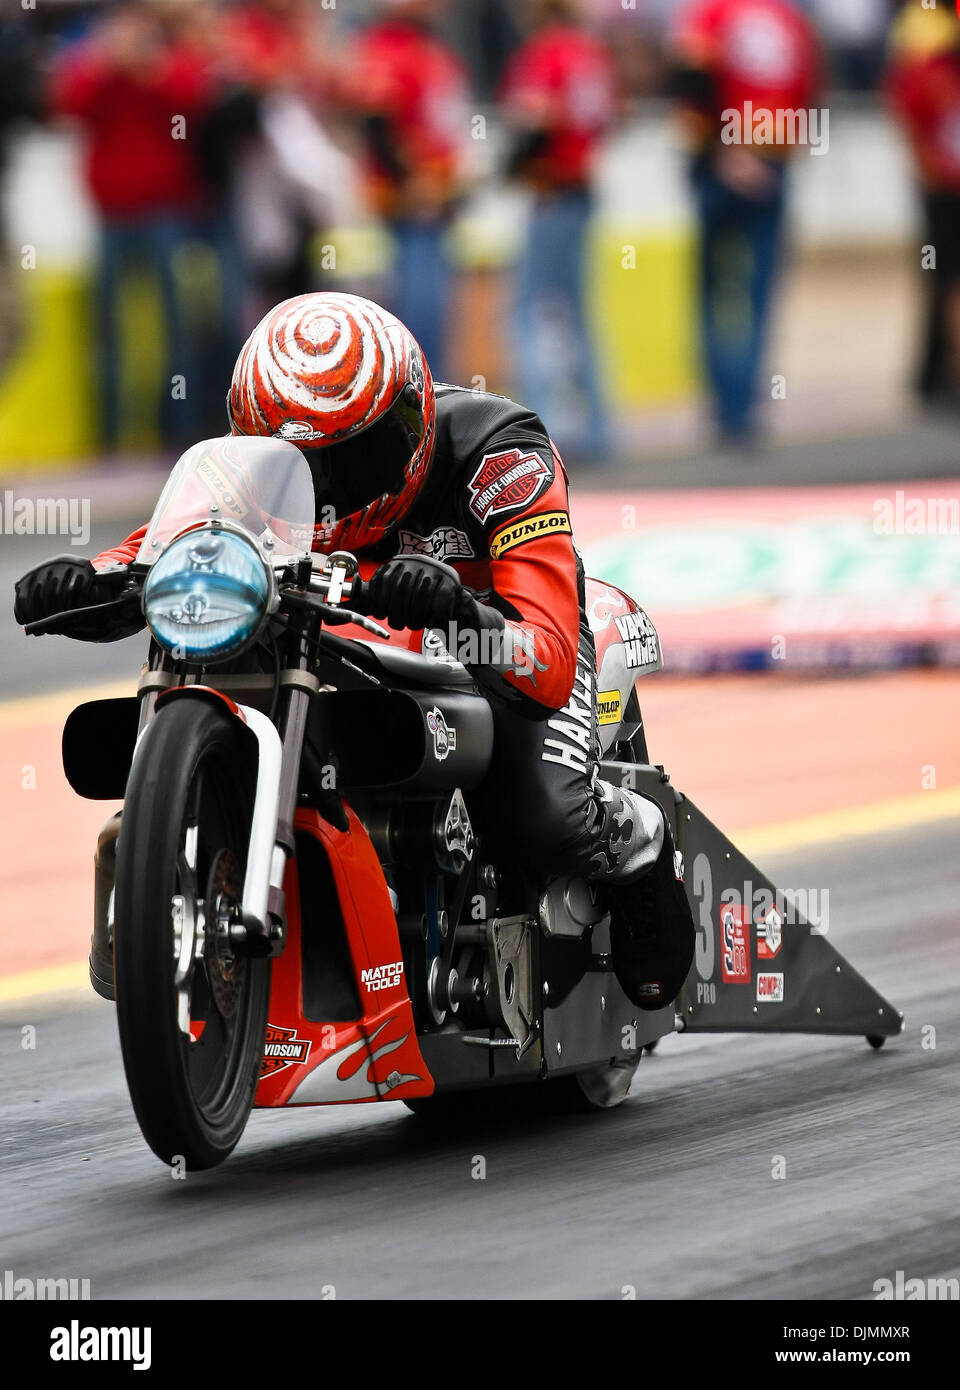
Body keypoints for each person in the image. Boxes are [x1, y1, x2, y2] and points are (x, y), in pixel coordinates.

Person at [13, 291, 695, 1014]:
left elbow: (548, 655)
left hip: (492, 640)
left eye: (349, 460)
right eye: (297, 465)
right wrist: (91, 584)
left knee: (542, 818)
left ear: (410, 422)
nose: (325, 492)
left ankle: (635, 839)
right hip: (330, 642)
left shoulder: (502, 453)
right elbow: (166, 551)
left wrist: (462, 610)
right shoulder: (243, 472)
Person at [49, 0, 213, 451]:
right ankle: (111, 434)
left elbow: (192, 102)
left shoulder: (167, 61)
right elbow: (70, 104)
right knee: (108, 331)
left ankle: (178, 429)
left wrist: (149, 68)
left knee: (176, 327)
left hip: (164, 209)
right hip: (113, 212)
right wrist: (105, 64)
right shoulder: (93, 64)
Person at [669, 0, 820, 446]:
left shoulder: (713, 15)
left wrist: (720, 152)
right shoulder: (791, 20)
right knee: (757, 290)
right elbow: (808, 91)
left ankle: (726, 407)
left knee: (713, 290)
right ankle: (746, 407)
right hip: (773, 160)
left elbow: (691, 84)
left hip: (722, 161)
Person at [501, 0, 619, 463]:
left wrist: (511, 169)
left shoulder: (546, 53)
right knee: (580, 314)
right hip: (582, 189)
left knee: (529, 312)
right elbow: (609, 120)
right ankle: (599, 428)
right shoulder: (592, 54)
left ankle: (537, 433)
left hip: (551, 192)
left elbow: (534, 121)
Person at [338, 0, 471, 382]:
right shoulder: (389, 49)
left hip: (433, 200)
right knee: (420, 312)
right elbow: (375, 121)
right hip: (412, 205)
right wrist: (411, 183)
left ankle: (431, 395)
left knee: (431, 309)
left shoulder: (429, 51)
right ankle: (422, 395)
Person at [885, 4, 960, 408]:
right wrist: (925, 167)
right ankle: (937, 372)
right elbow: (908, 112)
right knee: (942, 278)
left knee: (943, 280)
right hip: (942, 192)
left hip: (942, 186)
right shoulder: (930, 71)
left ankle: (937, 372)